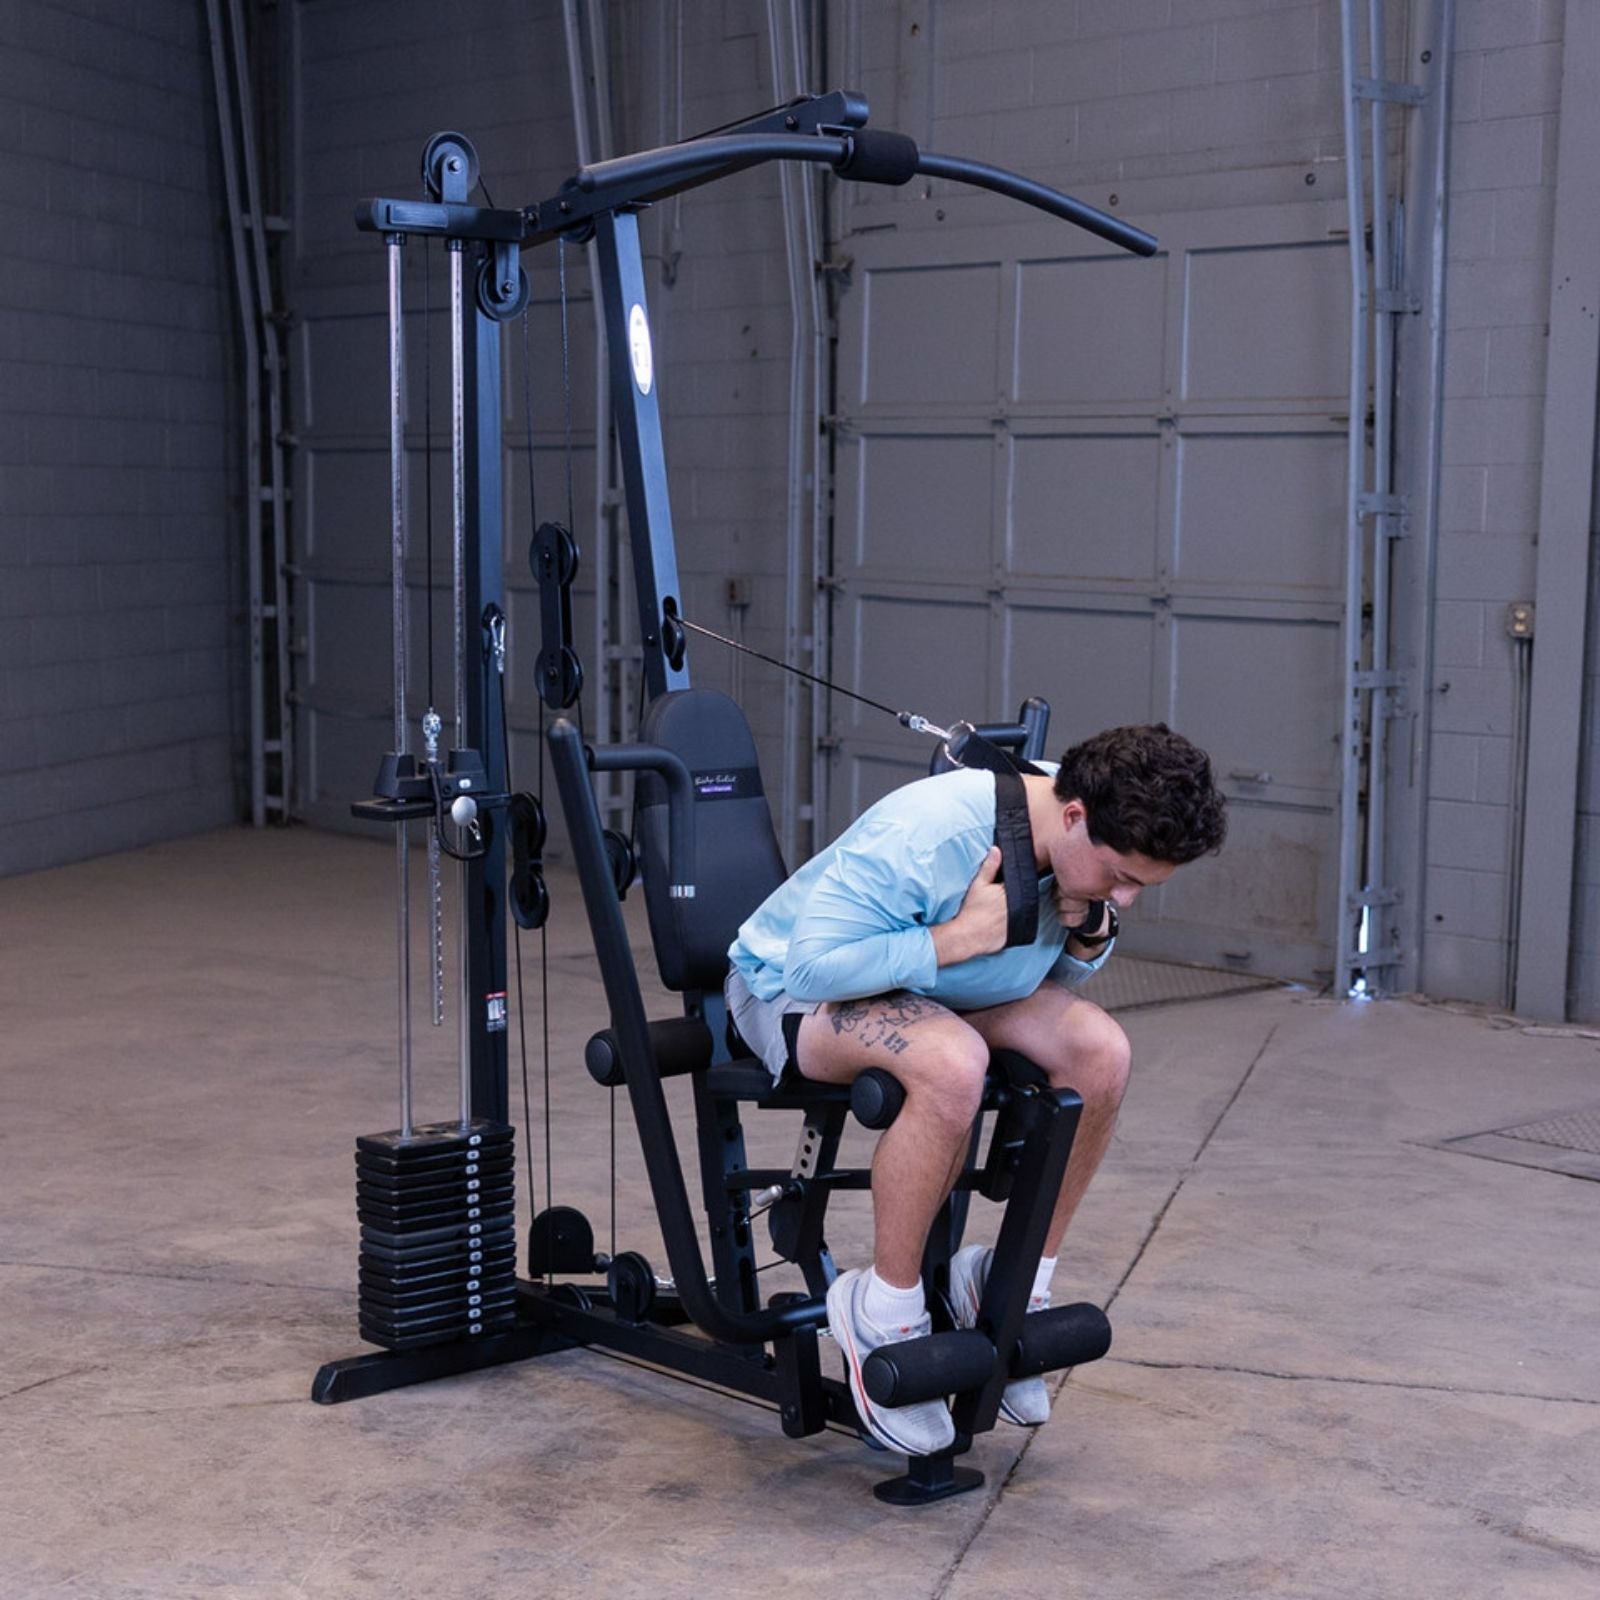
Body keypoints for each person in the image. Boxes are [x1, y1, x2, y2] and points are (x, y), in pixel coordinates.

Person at [726, 723, 1227, 1455]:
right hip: (789, 994)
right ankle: (884, 1310)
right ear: (1076, 818)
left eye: (1141, 888)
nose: (1125, 895)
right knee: (953, 1061)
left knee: (1101, 1053)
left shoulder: (1090, 823)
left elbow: (1048, 968)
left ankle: (1011, 1285)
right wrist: (953, 940)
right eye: (1121, 876)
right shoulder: (931, 833)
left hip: (951, 988)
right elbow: (809, 969)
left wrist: (1090, 932)